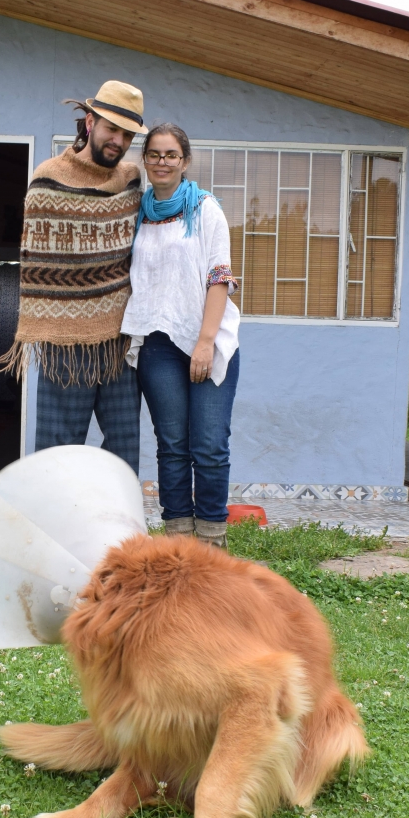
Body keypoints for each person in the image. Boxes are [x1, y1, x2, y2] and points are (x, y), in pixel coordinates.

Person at [0, 80, 146, 474]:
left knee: (125, 451)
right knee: (57, 452)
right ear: (90, 121)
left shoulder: (131, 180)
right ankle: (52, 530)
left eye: (127, 134)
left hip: (121, 343)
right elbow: (38, 261)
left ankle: (119, 532)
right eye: (112, 128)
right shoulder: (48, 177)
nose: (118, 140)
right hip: (65, 342)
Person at [121, 123, 240, 548]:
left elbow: (219, 278)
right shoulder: (137, 214)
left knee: (208, 444)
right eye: (154, 154)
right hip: (157, 344)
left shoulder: (205, 209)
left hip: (205, 339)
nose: (161, 162)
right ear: (145, 159)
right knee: (172, 445)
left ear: (185, 161)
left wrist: (205, 342)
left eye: (171, 155)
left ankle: (211, 540)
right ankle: (179, 542)